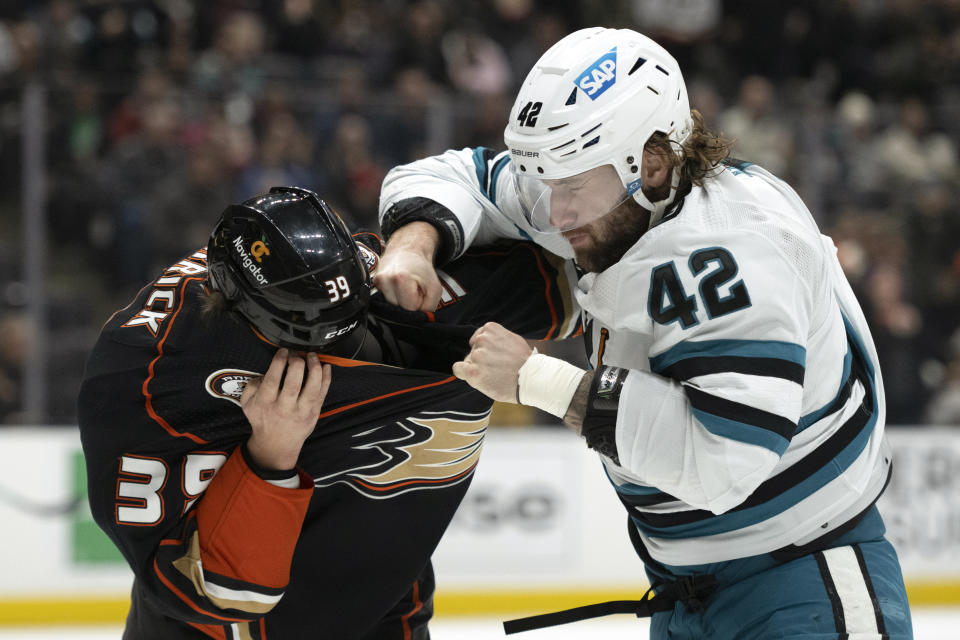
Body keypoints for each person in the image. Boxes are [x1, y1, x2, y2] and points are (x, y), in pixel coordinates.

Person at [373, 27, 913, 639]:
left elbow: (725, 467)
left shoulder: (730, 250)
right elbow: (457, 175)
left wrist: (534, 378)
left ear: (651, 163)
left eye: (570, 184)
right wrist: (415, 244)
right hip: (687, 594)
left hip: (801, 584)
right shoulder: (608, 188)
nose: (554, 213)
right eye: (548, 182)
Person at [77, 186, 578, 640]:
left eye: (351, 319)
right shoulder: (149, 374)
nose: (348, 344)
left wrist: (418, 237)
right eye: (313, 334)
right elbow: (212, 592)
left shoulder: (399, 285)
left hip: (381, 608)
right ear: (243, 315)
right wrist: (269, 459)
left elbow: (586, 281)